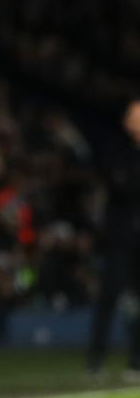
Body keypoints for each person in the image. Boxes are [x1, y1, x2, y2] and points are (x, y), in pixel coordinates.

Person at [86, 99, 140, 378]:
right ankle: (95, 360)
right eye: (134, 115)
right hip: (120, 238)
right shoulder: (117, 150)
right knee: (109, 298)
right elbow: (120, 184)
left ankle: (136, 361)